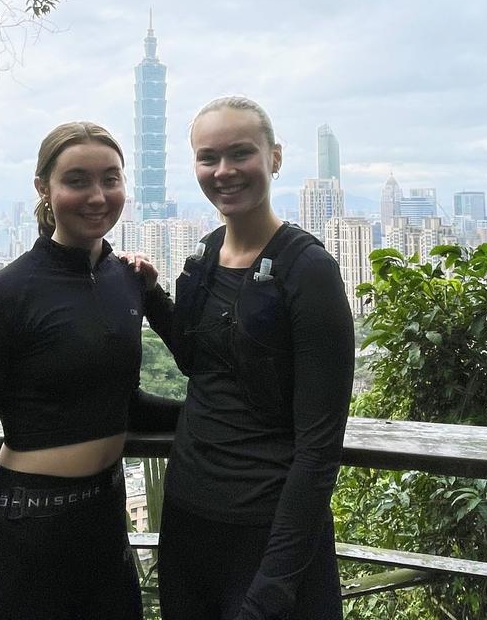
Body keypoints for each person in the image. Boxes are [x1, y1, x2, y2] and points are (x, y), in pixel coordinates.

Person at [0, 121, 182, 620]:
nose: (97, 196)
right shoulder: (6, 297)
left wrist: (218, 419)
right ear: (44, 189)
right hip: (30, 526)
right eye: (77, 180)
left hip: (105, 524)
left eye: (110, 179)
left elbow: (125, 403)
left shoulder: (126, 281)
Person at [134, 96, 354, 620]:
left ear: (274, 158)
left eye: (241, 153)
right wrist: (151, 296)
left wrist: (276, 585)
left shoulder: (309, 270)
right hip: (189, 518)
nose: (224, 171)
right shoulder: (204, 255)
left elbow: (319, 448)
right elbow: (198, 361)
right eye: (208, 158)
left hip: (270, 529)